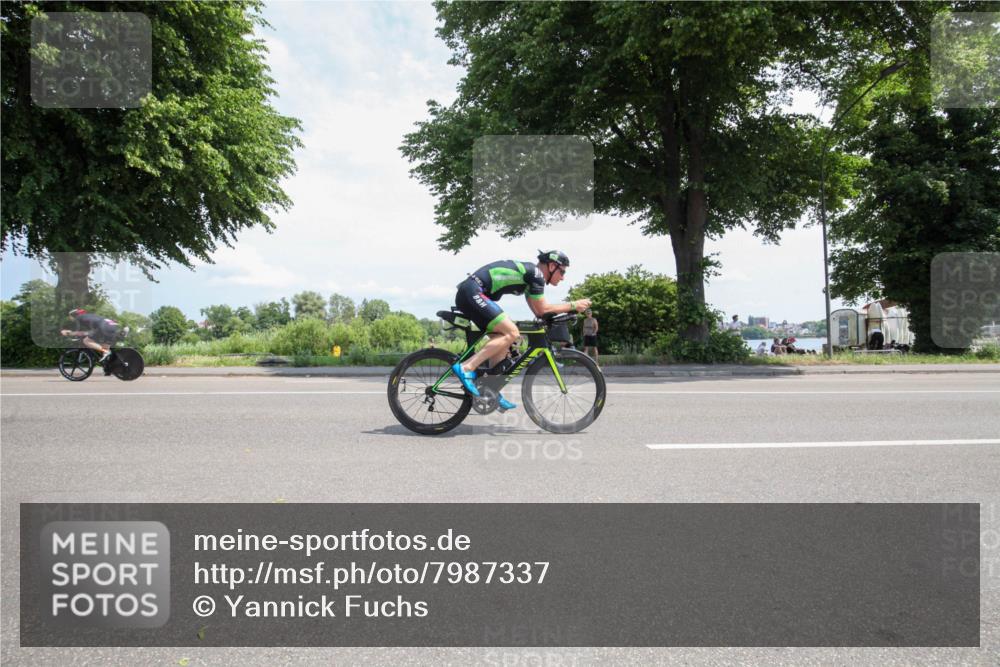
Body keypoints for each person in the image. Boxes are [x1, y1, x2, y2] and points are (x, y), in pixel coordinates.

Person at [451, 250, 591, 410]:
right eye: (562, 272)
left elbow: (540, 313)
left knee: (503, 339)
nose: (563, 277)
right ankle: (466, 367)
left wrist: (563, 314)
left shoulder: (532, 279)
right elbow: (543, 309)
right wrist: (573, 305)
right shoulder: (537, 275)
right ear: (552, 266)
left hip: (473, 293)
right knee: (512, 332)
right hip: (472, 292)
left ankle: (491, 388)